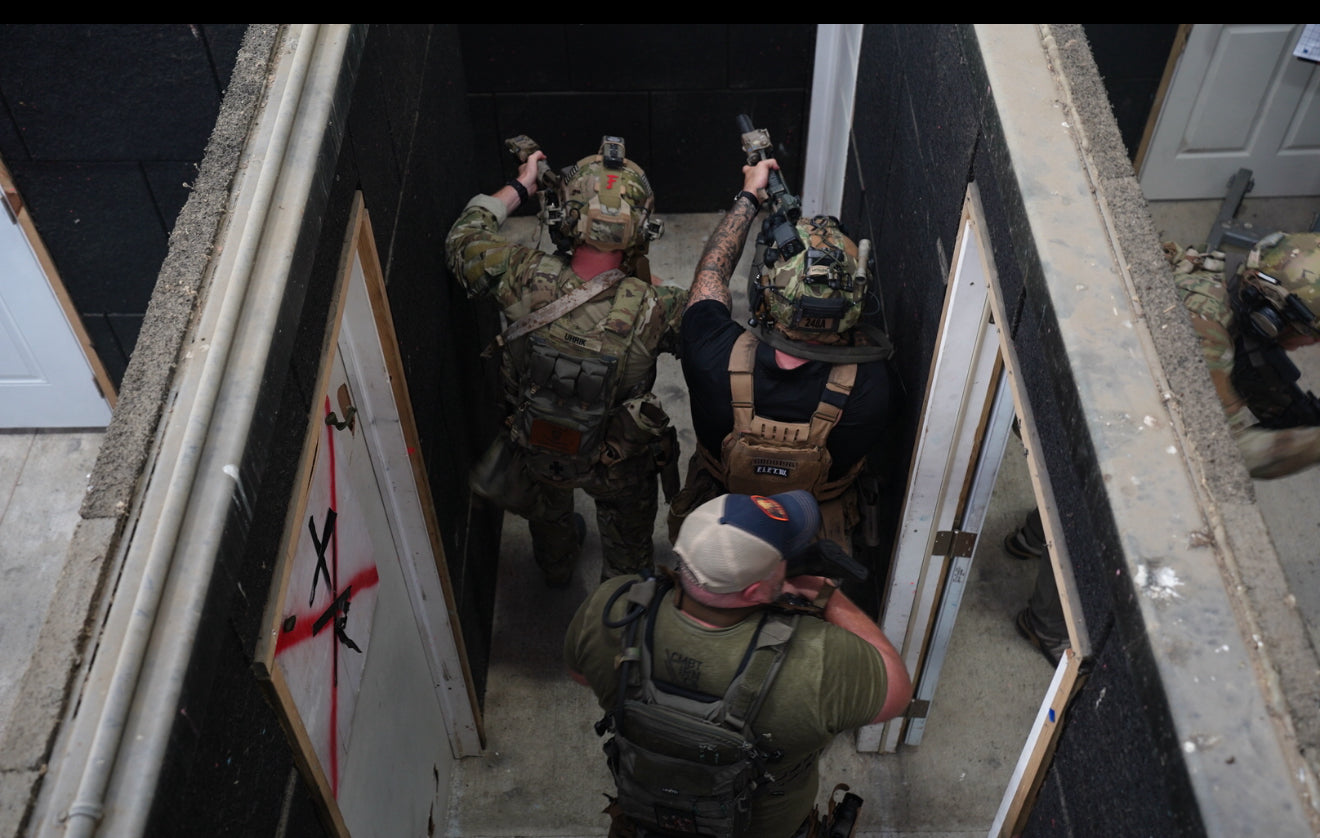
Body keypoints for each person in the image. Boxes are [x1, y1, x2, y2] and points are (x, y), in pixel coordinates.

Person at [1012, 232, 1320, 665]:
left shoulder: (1211, 281)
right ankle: (1044, 626)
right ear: (1274, 315)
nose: (1309, 345)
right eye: (1310, 334)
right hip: (1080, 416)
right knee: (1092, 525)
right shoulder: (1205, 337)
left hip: (1072, 392)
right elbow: (1226, 454)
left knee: (1066, 483)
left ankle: (1029, 537)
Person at [565, 491, 912, 838]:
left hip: (642, 818)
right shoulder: (819, 657)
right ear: (753, 591)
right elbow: (896, 693)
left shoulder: (614, 608)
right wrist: (827, 595)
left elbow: (579, 674)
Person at [446, 136, 686, 584]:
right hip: (617, 463)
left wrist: (522, 185)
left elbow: (464, 236)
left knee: (548, 509)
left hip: (539, 442)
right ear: (641, 227)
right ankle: (620, 600)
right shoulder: (658, 308)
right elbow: (710, 322)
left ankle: (556, 567)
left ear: (567, 216)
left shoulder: (519, 274)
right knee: (628, 552)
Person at [669, 158, 896, 552]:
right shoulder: (873, 385)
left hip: (719, 528)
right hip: (810, 539)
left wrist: (749, 196)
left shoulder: (710, 351)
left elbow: (711, 275)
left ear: (766, 296)